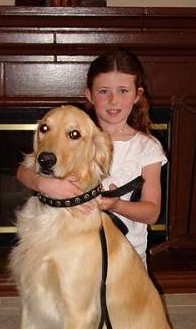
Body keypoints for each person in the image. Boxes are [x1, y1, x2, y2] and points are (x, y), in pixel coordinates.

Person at [17, 49, 167, 266]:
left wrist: (116, 206)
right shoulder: (73, 133)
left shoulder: (147, 147)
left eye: (123, 91)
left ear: (137, 95)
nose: (114, 100)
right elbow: (23, 170)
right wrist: (43, 183)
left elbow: (152, 212)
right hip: (69, 249)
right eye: (104, 91)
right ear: (89, 94)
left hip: (124, 259)